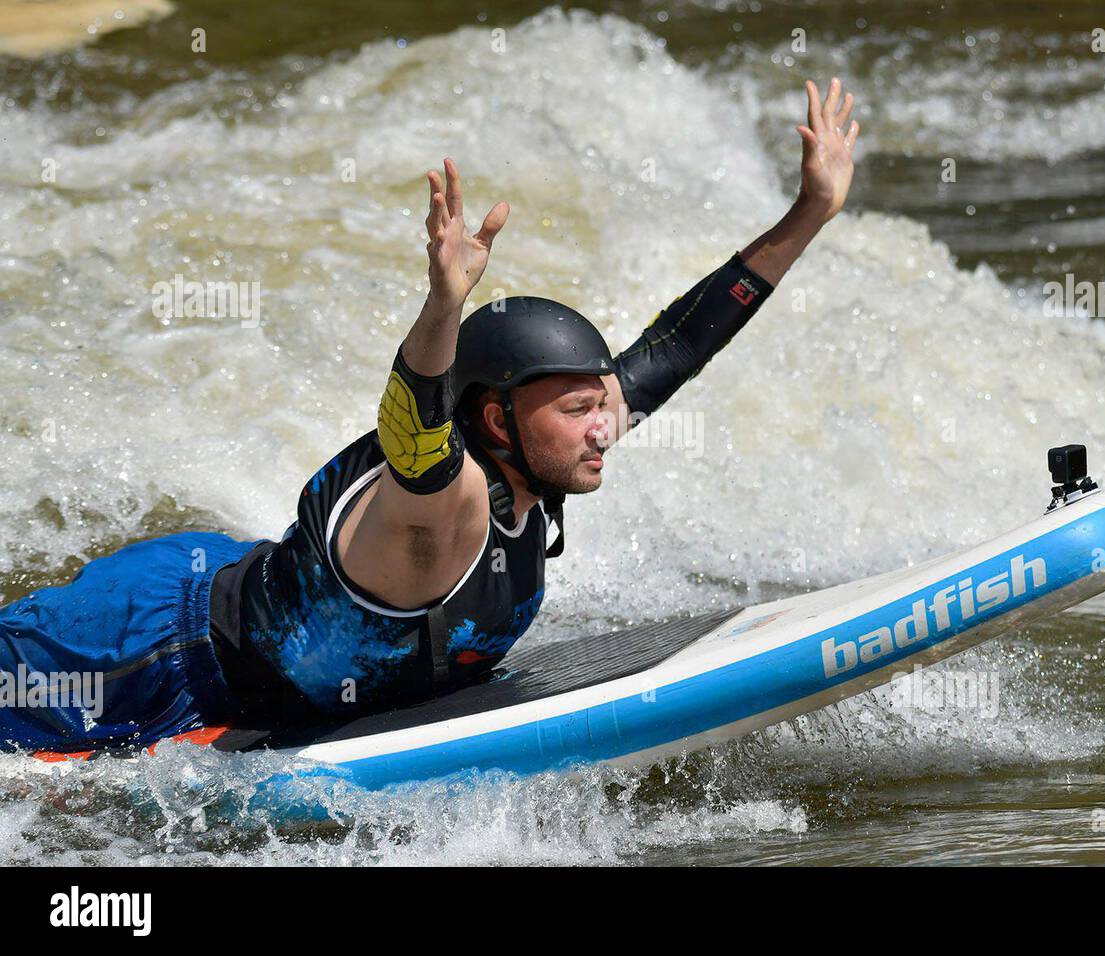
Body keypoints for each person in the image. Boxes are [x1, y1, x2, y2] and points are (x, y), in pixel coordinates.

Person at [0, 79, 860, 752]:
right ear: (494, 420)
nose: (607, 426)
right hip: (139, 652)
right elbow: (413, 427)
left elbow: (677, 343)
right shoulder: (440, 500)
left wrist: (810, 211)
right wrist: (443, 304)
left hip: (249, 598)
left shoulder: (545, 454)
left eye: (603, 404)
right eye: (578, 408)